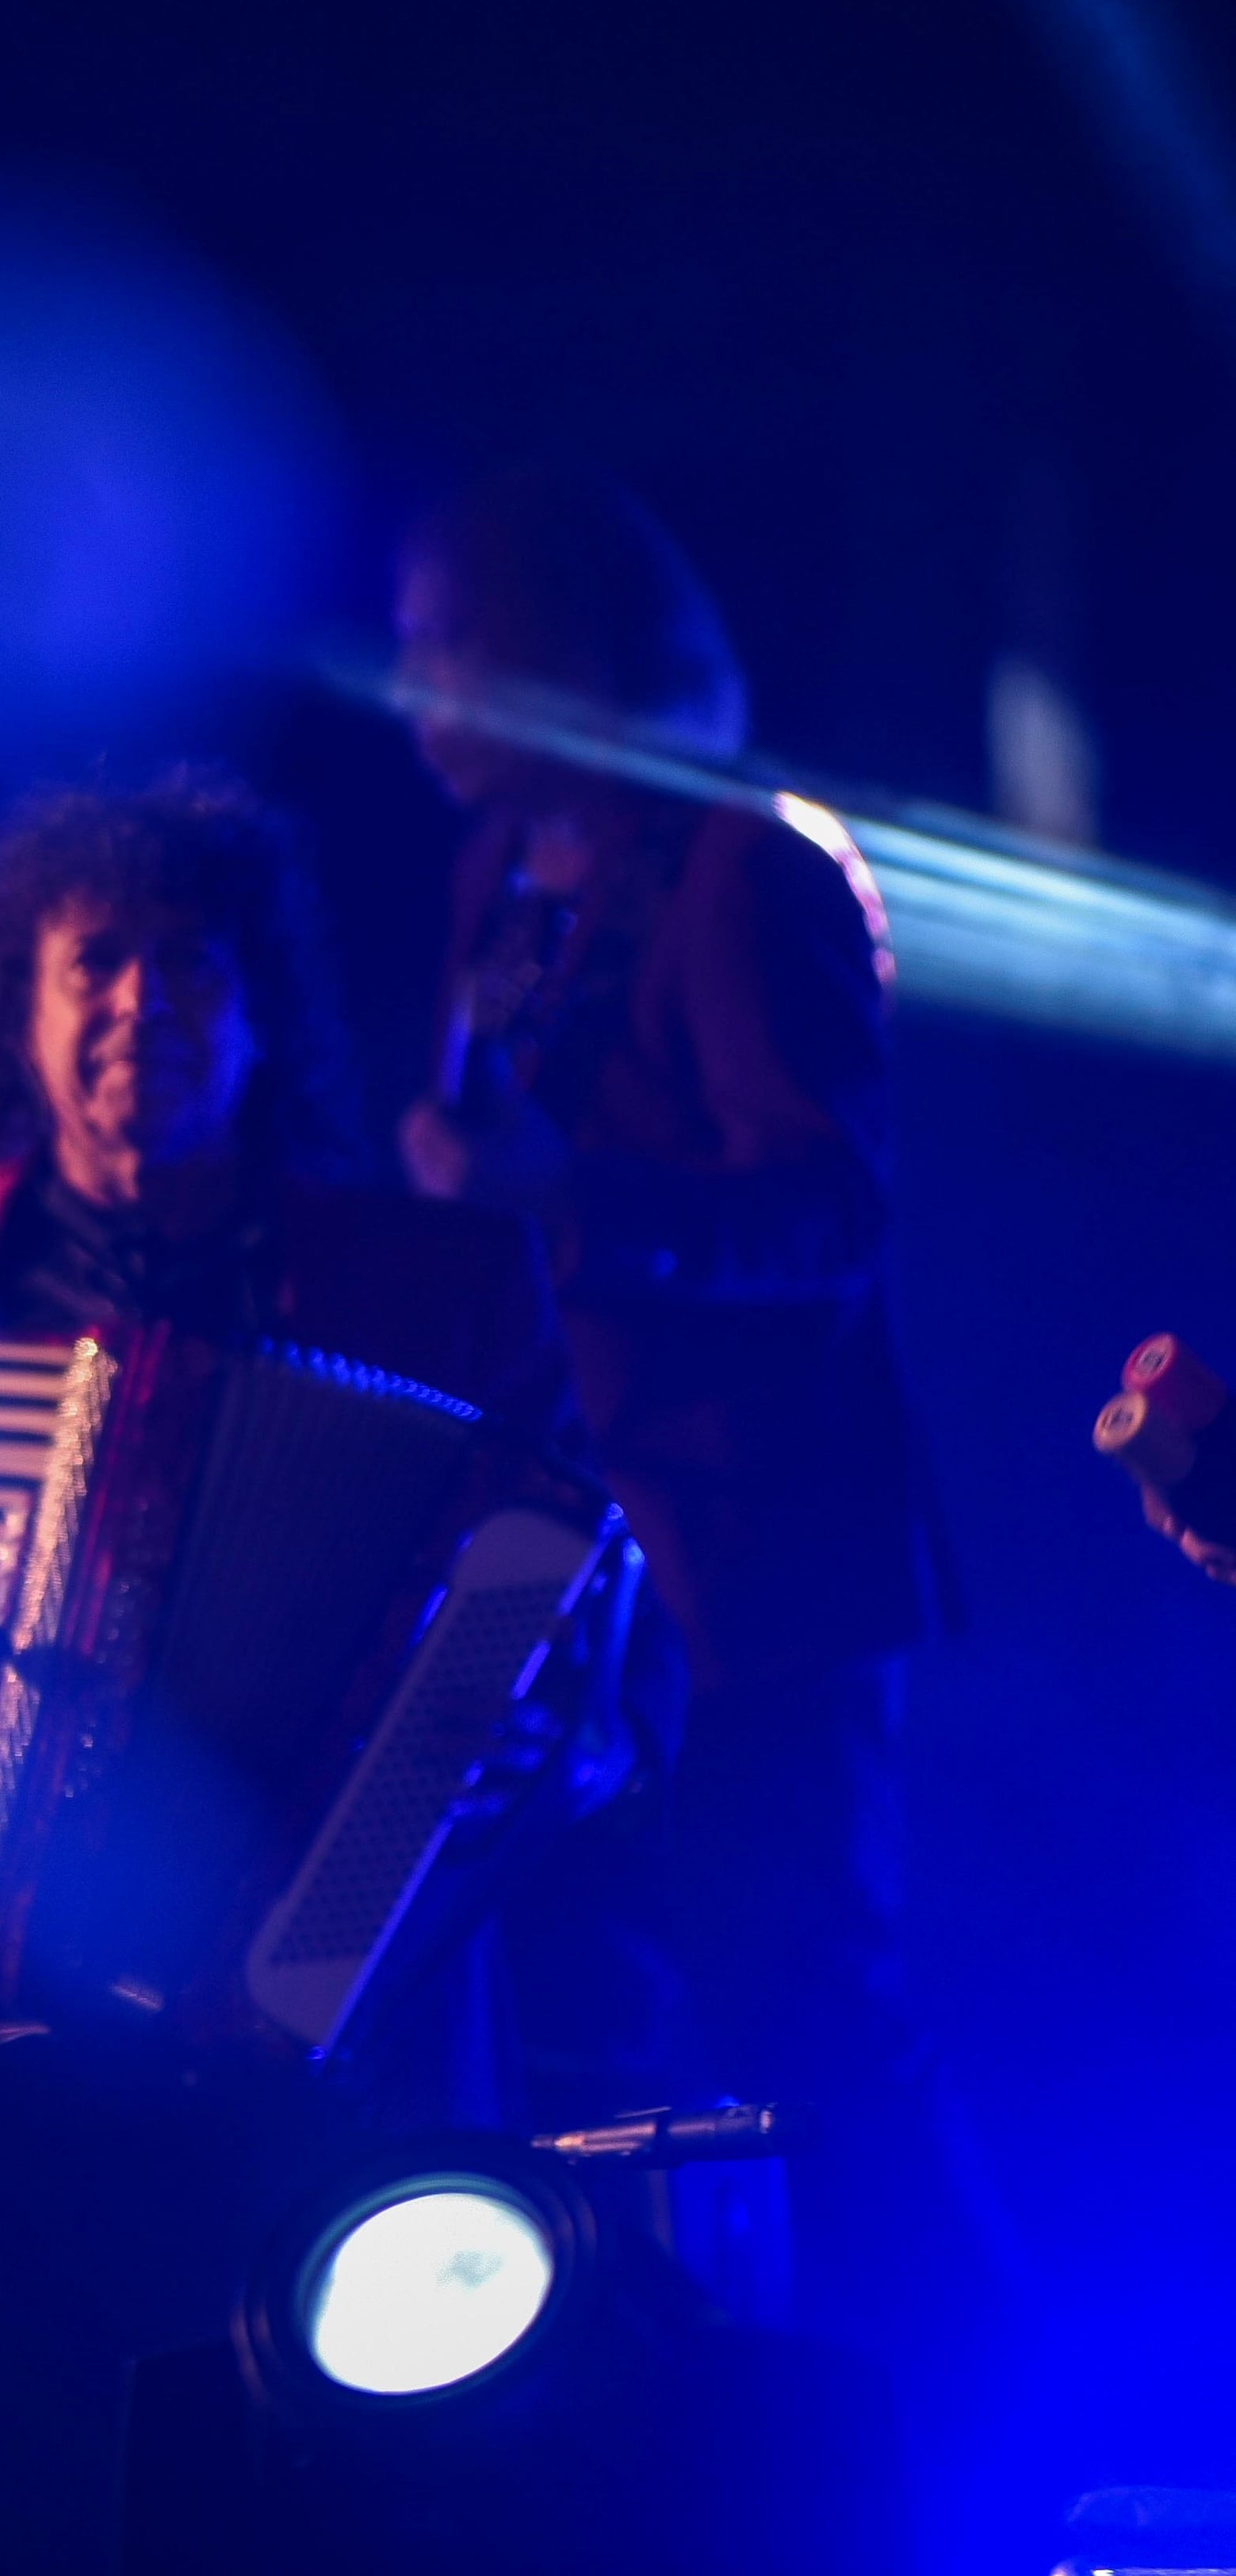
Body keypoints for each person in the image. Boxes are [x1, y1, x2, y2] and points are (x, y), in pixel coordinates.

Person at [0, 772, 572, 2576]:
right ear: (17, 1001)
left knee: (293, 2499)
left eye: (189, 968)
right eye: (96, 965)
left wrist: (519, 1737)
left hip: (311, 2027)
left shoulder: (432, 1281)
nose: (142, 1009)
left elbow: (587, 1653)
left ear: (258, 1011)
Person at [384, 467, 983, 2387]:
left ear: (557, 658)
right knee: (616, 2045)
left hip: (763, 1582)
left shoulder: (744, 869)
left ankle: (952, 2424)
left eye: (446, 645)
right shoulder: (498, 880)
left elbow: (833, 1211)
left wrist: (568, 1191)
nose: (411, 692)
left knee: (808, 2023)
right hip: (588, 1571)